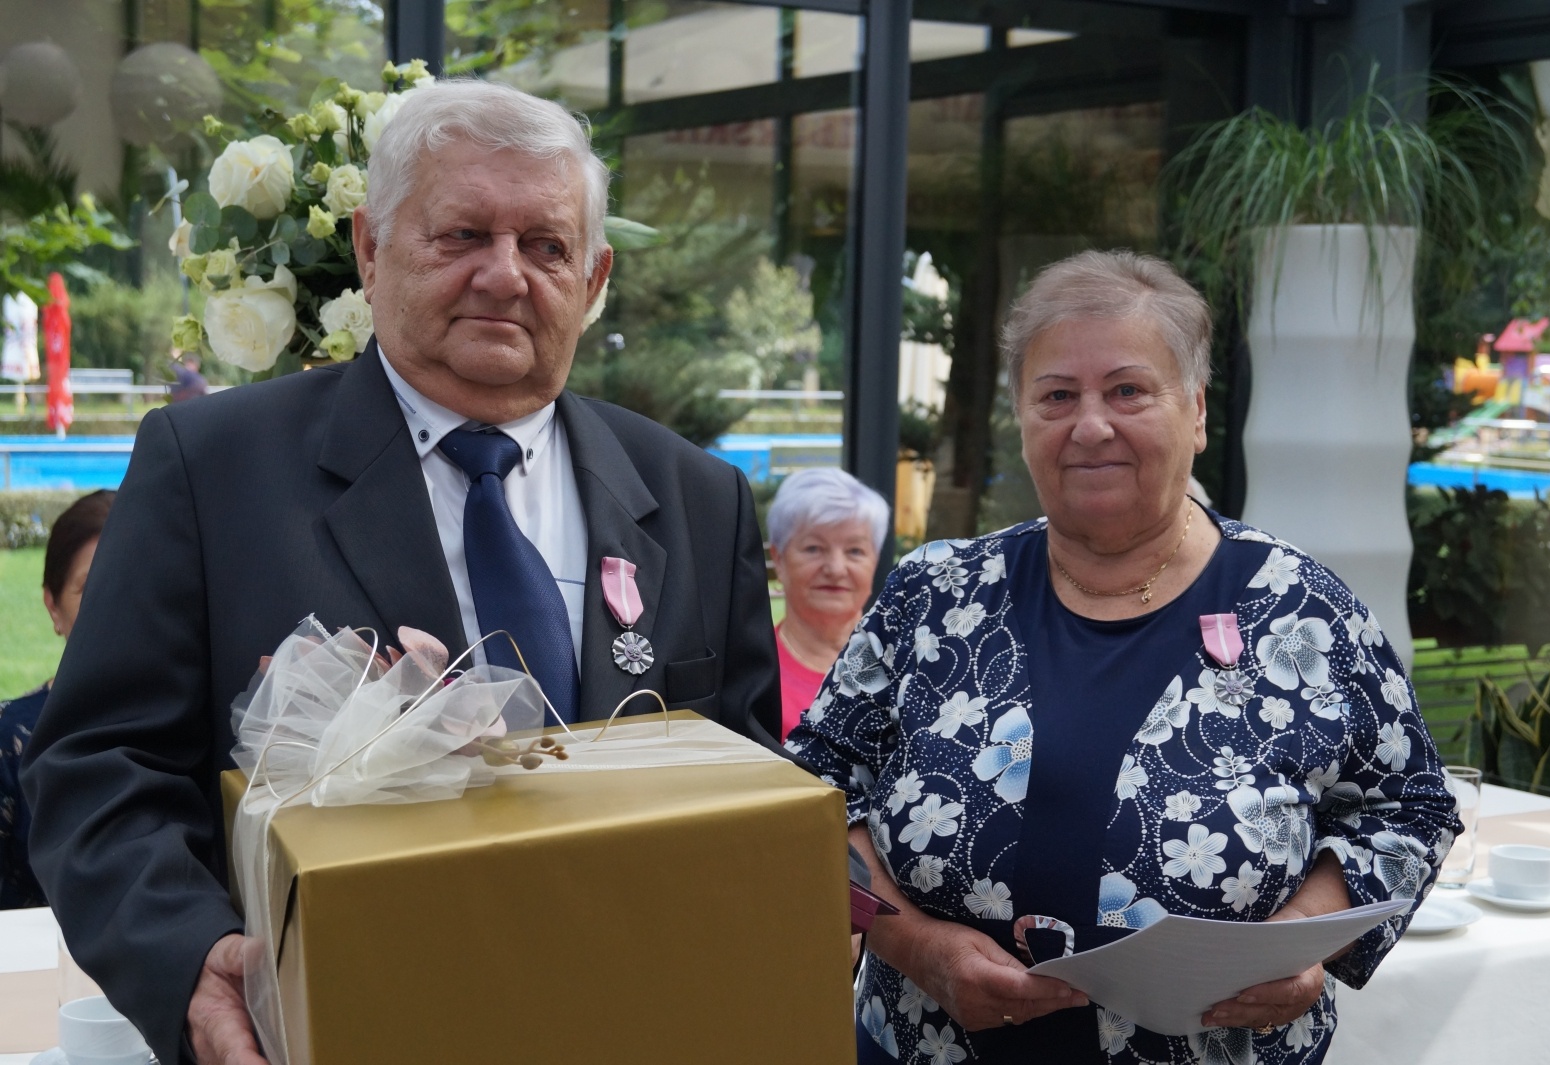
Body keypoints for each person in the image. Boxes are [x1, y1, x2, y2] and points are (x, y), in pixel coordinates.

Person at [24, 81, 781, 1065]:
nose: (505, 277)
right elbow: (99, 768)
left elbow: (745, 774)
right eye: (461, 234)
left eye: (544, 246)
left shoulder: (697, 498)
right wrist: (189, 956)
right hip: (340, 1026)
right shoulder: (213, 469)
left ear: (593, 281)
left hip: (632, 1023)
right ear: (371, 249)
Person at [784, 250, 1458, 1065]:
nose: (1091, 424)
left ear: (1199, 411)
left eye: (1129, 391)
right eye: (1058, 395)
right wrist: (915, 946)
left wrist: (1299, 941)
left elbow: (1410, 806)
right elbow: (812, 790)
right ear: (1023, 418)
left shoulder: (1302, 610)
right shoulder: (934, 594)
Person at [0, 489, 114, 910]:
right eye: (88, 587)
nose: (113, 604)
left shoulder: (206, 723)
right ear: (53, 605)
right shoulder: (8, 739)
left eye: (128, 580)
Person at [768, 467, 889, 740]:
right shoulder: (753, 676)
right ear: (779, 560)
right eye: (814, 548)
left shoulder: (908, 665)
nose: (835, 568)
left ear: (875, 561)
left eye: (855, 551)